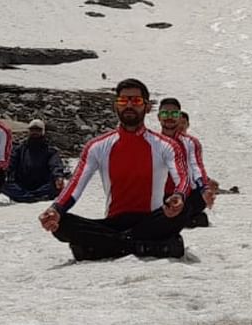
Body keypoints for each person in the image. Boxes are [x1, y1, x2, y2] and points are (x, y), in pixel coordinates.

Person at [38, 79, 193, 261]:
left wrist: (179, 197)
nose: (129, 105)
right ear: (115, 106)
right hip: (114, 222)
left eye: (135, 101)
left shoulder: (165, 145)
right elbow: (75, 185)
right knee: (62, 223)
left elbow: (182, 178)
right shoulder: (97, 146)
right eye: (123, 101)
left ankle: (101, 247)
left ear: (147, 107)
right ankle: (146, 246)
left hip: (153, 220)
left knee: (186, 208)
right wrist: (56, 209)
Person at [157, 97, 213, 227]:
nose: (169, 117)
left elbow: (197, 167)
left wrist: (204, 187)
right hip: (159, 195)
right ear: (159, 117)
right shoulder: (152, 141)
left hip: (186, 195)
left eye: (174, 114)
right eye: (165, 113)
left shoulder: (190, 142)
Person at [2, 119, 66, 203]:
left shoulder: (50, 150)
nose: (35, 132)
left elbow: (55, 164)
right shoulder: (19, 149)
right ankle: (32, 196)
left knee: (56, 186)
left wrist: (58, 177)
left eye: (38, 130)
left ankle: (27, 197)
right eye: (32, 130)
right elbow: (10, 164)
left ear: (42, 132)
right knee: (3, 184)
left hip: (42, 184)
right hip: (21, 184)